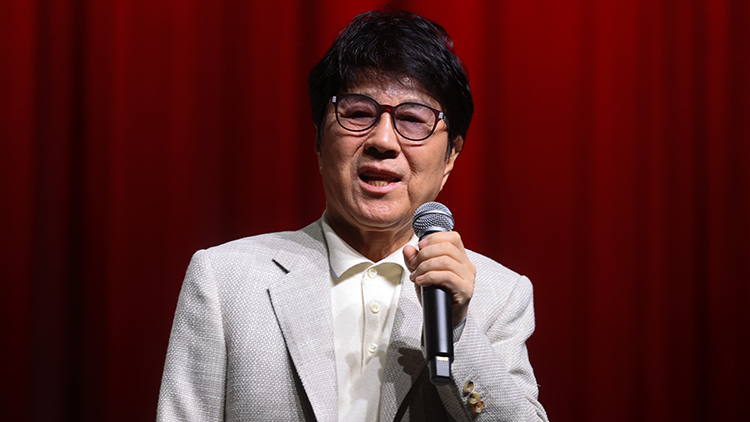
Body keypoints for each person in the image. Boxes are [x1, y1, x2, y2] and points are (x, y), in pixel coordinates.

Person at [157, 8, 548, 422]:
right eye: (359, 113)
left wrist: (456, 332)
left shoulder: (499, 295)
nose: (383, 140)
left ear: (451, 155)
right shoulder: (225, 280)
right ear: (318, 139)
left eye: (412, 119)